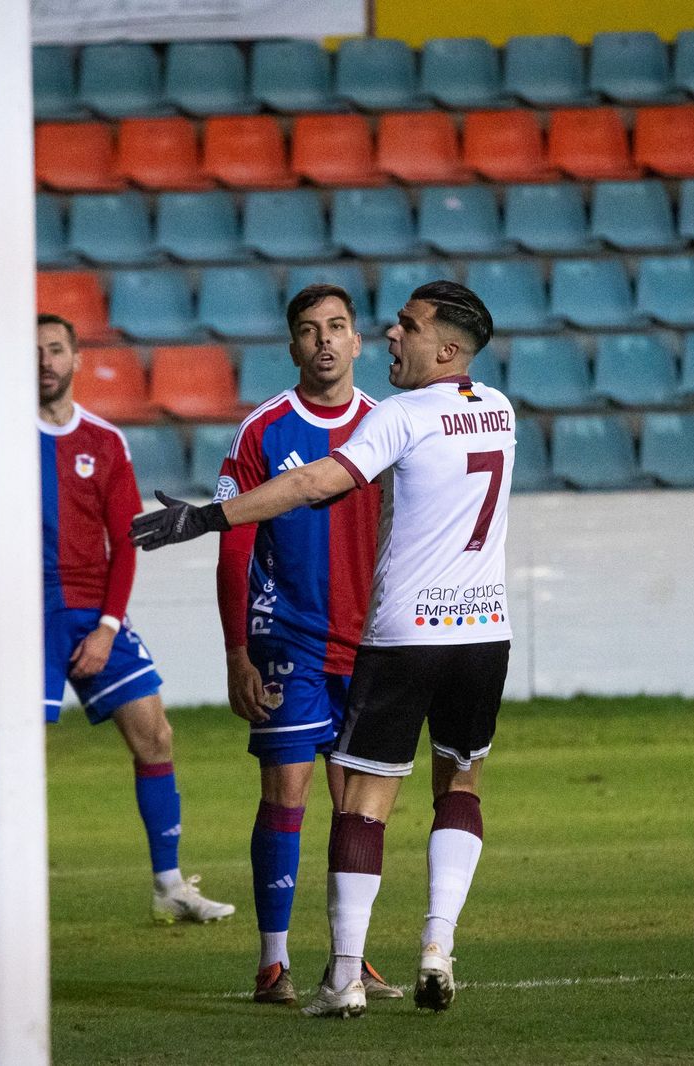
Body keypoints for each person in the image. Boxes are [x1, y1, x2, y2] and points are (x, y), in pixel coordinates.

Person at [132, 281, 515, 1019]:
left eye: (406, 326)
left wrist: (205, 517)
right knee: (458, 786)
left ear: (443, 348)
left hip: (402, 636)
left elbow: (310, 482)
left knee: (362, 806)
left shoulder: (398, 415)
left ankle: (344, 974)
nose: (390, 337)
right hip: (483, 633)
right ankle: (437, 945)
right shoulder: (499, 409)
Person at [214, 284, 399, 1005]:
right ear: (292, 347)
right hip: (285, 634)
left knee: (358, 803)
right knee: (287, 791)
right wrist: (236, 652)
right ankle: (272, 961)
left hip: (370, 644)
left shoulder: (389, 428)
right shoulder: (263, 430)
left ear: (357, 342)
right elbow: (233, 547)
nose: (324, 340)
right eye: (309, 330)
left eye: (337, 328)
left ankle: (347, 959)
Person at [36, 312, 234, 924]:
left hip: (94, 613)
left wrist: (107, 627)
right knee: (13, 754)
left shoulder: (104, 441)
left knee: (155, 735)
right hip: (25, 617)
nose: (44, 361)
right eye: (34, 351)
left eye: (55, 349)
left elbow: (126, 542)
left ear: (74, 358)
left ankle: (170, 885)